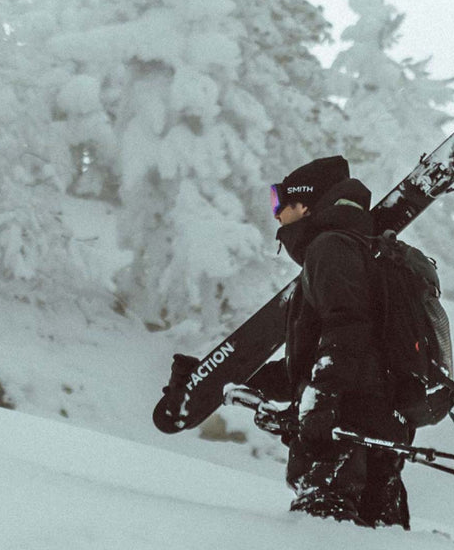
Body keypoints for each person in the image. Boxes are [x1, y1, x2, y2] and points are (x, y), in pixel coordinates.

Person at [165, 155, 412, 528]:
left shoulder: (329, 248)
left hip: (340, 437)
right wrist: (218, 380)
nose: (276, 216)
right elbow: (311, 362)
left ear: (306, 205)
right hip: (366, 429)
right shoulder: (352, 248)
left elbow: (347, 330)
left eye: (281, 205)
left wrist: (322, 401)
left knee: (326, 544)